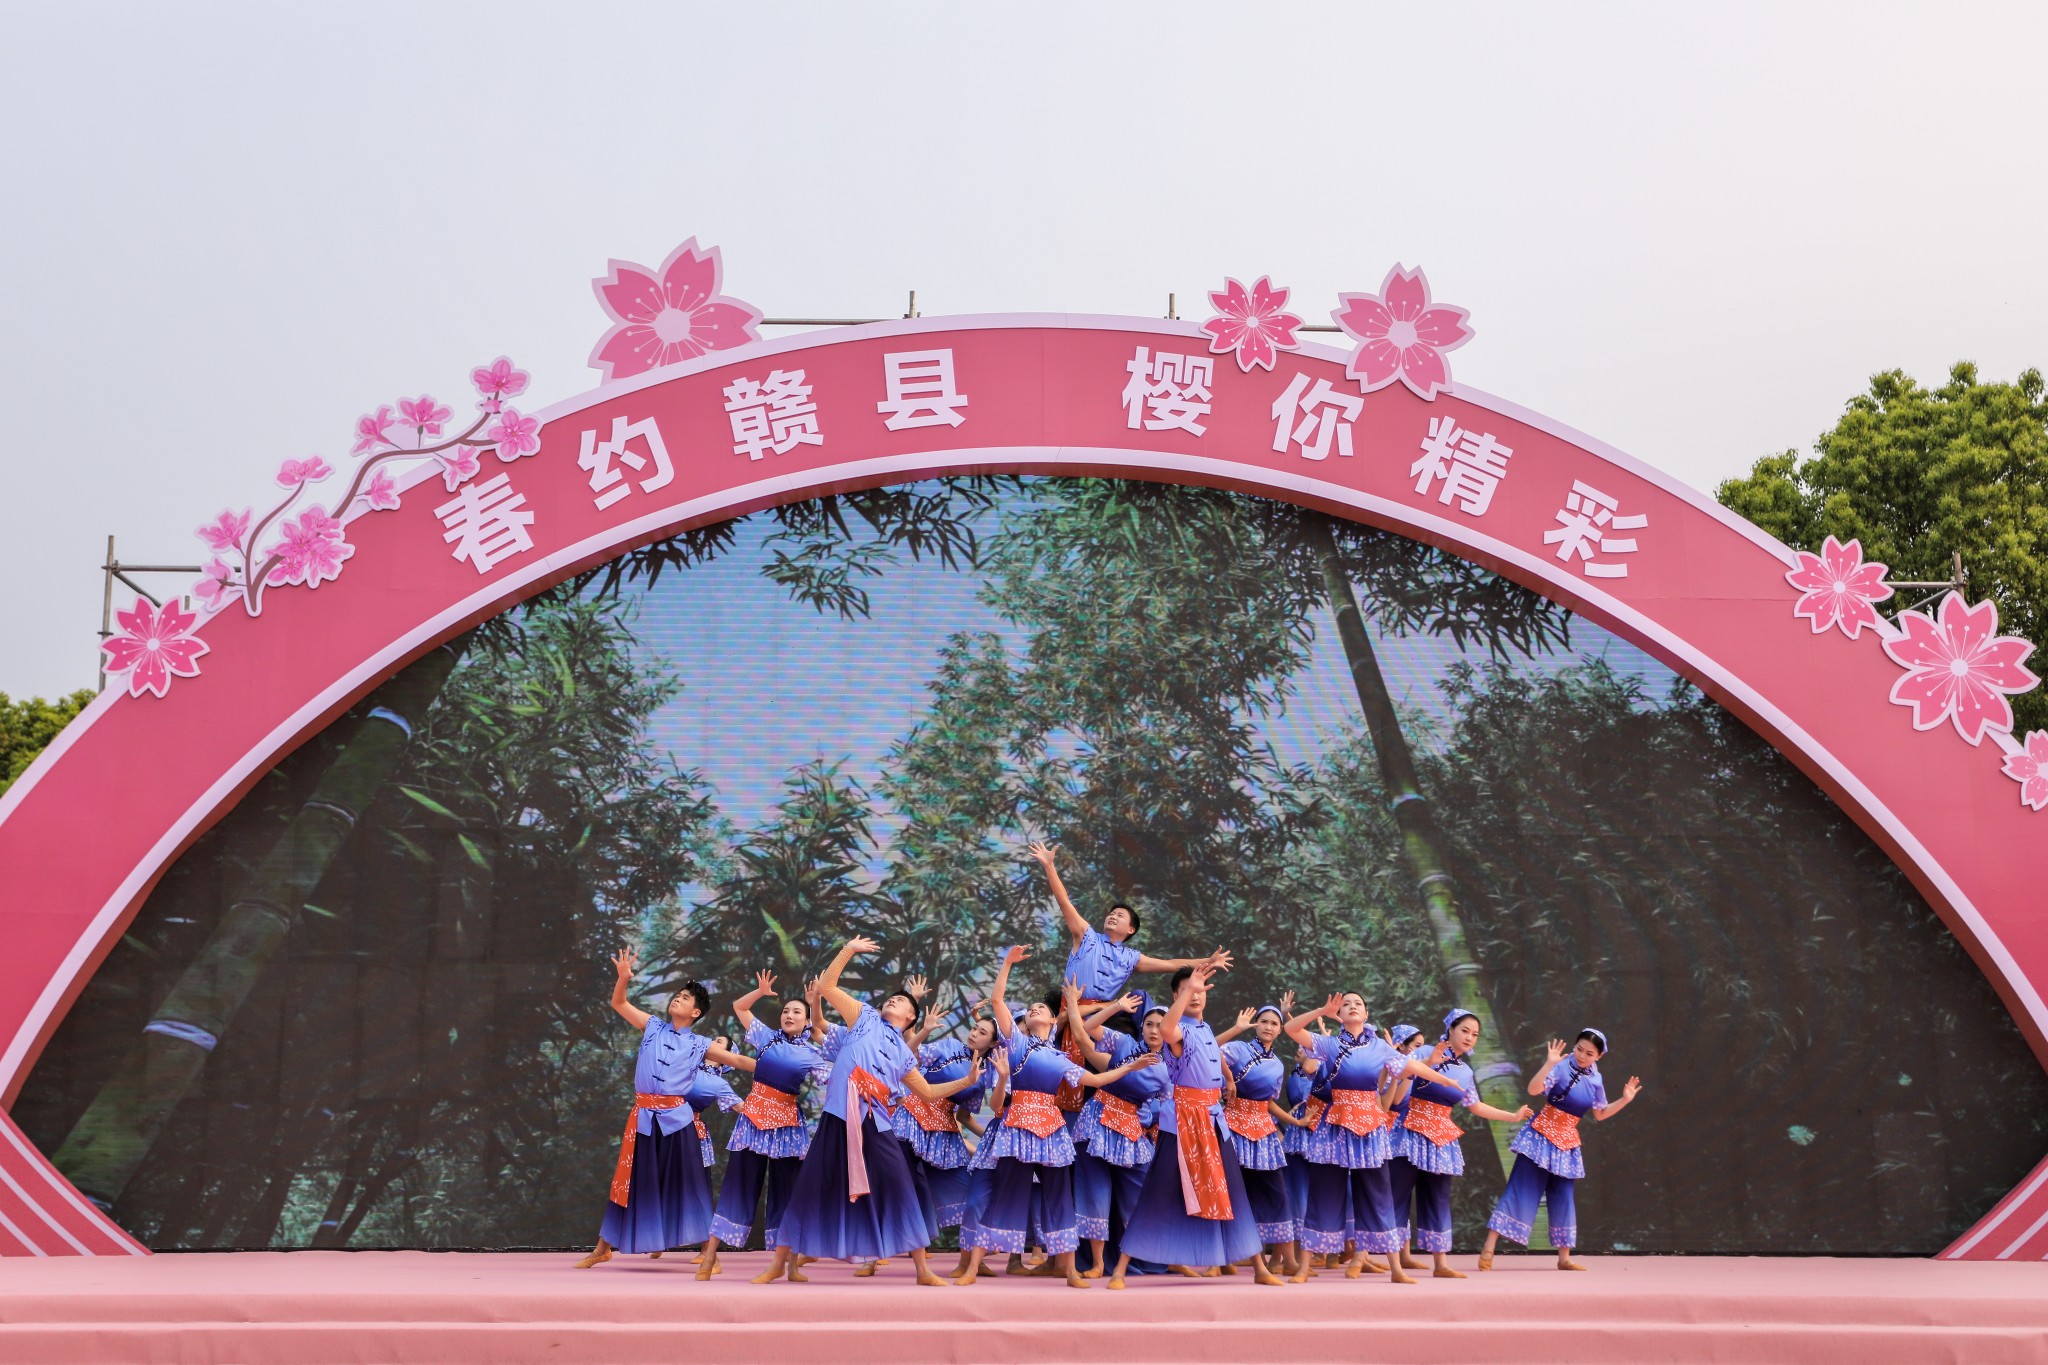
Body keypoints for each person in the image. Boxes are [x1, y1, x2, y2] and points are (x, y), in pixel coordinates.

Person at [754, 936, 984, 1287]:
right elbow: (828, 986)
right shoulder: (864, 1016)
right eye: (893, 997)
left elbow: (926, 1091)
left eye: (902, 1002)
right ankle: (780, 1265)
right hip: (837, 1115)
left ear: (910, 1017)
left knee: (899, 1188)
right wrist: (847, 949)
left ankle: (923, 1270)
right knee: (809, 1188)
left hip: (876, 1122)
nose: (894, 1000)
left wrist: (967, 1079)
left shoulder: (906, 1054)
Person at [954, 956, 1162, 1288]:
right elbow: (997, 1000)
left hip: (1051, 1130)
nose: (1034, 1009)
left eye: (1041, 1008)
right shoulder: (1018, 1043)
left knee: (1058, 1197)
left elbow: (1094, 1081)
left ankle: (1069, 1271)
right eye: (1031, 1007)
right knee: (1004, 1194)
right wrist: (1006, 963)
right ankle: (971, 1269)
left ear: (1054, 1020)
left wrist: (1126, 1070)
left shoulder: (1061, 1058)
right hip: (1018, 1128)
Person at [577, 948, 752, 1269]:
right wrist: (623, 979)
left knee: (690, 1185)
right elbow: (619, 1003)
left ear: (696, 1012)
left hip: (677, 1121)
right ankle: (603, 1247)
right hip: (644, 1118)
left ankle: (708, 1255)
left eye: (686, 998)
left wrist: (776, 1066)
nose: (678, 999)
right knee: (627, 1180)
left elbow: (739, 1061)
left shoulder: (699, 1044)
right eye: (678, 995)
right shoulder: (654, 1026)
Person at [1282, 992, 1470, 1284]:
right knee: (1323, 1191)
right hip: (1336, 1123)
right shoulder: (1329, 1044)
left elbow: (1411, 1066)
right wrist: (1321, 1008)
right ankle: (1305, 1267)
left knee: (1378, 1195)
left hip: (1369, 1125)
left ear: (1366, 1014)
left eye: (1358, 1003)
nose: (1353, 1006)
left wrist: (1443, 1078)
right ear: (1339, 1014)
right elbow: (1291, 1030)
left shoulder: (1380, 1047)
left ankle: (1396, 1269)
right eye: (1347, 1004)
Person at [1114, 963, 1271, 1287]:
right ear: (1177, 995)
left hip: (1213, 1120)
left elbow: (1214, 1061)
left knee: (1234, 1191)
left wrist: (1228, 1080)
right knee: (1157, 1193)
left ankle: (1260, 1268)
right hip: (1181, 1123)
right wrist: (1187, 991)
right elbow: (1169, 1029)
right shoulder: (1178, 1028)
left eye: (1200, 990)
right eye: (1188, 989)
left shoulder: (1204, 1029)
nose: (1196, 995)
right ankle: (1119, 1270)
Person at [696, 970, 831, 1280]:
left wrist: (817, 1005)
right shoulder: (766, 1038)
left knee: (788, 1193)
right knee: (736, 1187)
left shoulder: (813, 1054)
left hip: (787, 1128)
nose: (789, 1014)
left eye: (797, 1011)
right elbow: (740, 1008)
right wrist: (759, 991)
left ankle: (791, 1266)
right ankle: (708, 1259)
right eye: (786, 1010)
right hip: (754, 1119)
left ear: (806, 1021)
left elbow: (835, 1075)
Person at [1384, 1009, 1532, 1280]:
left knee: (1438, 1198)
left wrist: (1511, 1116)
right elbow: (1397, 1096)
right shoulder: (1422, 1051)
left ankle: (1440, 1264)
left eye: (1475, 1034)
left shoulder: (1465, 1071)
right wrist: (1428, 1061)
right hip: (1408, 1131)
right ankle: (1387, 1264)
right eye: (1465, 1030)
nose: (1470, 1037)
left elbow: (1474, 1106)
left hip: (1441, 1138)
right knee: (1396, 1195)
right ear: (1450, 1029)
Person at [1479, 1029, 1642, 1272]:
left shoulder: (1596, 1081)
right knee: (1520, 1188)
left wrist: (1625, 1100)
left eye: (1589, 1053)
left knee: (1563, 1197)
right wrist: (1549, 1063)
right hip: (1540, 1136)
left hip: (1567, 1142)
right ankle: (1488, 1248)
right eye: (1579, 1049)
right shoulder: (1560, 1066)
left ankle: (1564, 1257)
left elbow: (1600, 1113)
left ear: (1599, 1056)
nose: (1582, 1056)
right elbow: (1534, 1090)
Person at [1069, 993, 1169, 1278]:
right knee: (1095, 1193)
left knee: (1140, 1197)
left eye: (1160, 1026)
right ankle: (1099, 1263)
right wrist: (1117, 1006)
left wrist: (1152, 1113)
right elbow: (1087, 1029)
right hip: (1098, 1121)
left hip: (1132, 1131)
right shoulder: (1123, 1042)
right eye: (1149, 1024)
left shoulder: (1169, 1068)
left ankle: (1152, 1257)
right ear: (1142, 1027)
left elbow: (1168, 1102)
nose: (1153, 1030)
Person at [895, 1008, 997, 1239]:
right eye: (974, 1028)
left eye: (982, 1033)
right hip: (914, 1117)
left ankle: (974, 1252)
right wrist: (925, 1028)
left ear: (992, 1043)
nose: (973, 1034)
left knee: (969, 1190)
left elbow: (963, 1117)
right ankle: (877, 1256)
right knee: (899, 1183)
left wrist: (989, 1139)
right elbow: (910, 1057)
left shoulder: (981, 1078)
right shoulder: (948, 1046)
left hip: (944, 1131)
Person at [1217, 999, 1301, 1276]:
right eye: (1263, 1021)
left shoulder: (1277, 1065)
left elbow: (1269, 1103)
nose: (1268, 1026)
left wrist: (1294, 1121)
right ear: (1256, 1025)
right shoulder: (1238, 1049)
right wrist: (1229, 1076)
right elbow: (1210, 1052)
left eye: (1274, 1023)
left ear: (1279, 1031)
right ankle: (1223, 1259)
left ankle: (1285, 1258)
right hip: (1232, 1124)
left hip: (1263, 1132)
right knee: (1230, 1192)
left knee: (1275, 1191)